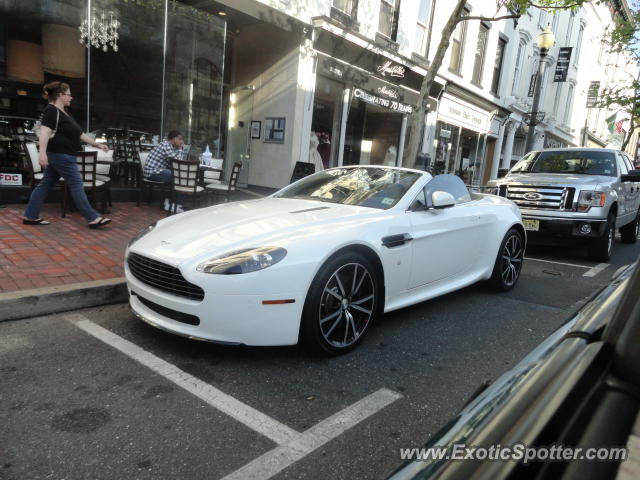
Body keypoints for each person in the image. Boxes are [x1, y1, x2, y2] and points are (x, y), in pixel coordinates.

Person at [23, 81, 111, 229]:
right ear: (61, 95)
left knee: (45, 184)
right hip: (61, 155)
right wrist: (42, 154)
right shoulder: (51, 110)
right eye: (69, 95)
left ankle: (30, 216)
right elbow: (45, 132)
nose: (71, 97)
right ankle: (92, 218)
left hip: (61, 155)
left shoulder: (64, 113)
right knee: (77, 184)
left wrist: (97, 144)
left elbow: (80, 134)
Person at [143, 130, 185, 211]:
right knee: (178, 176)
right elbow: (176, 161)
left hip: (159, 171)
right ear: (173, 139)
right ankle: (175, 204)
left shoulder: (171, 147)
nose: (181, 141)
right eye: (180, 139)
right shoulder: (166, 145)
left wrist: (179, 149)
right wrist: (180, 149)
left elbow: (177, 163)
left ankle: (171, 202)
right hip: (153, 172)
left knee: (180, 175)